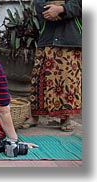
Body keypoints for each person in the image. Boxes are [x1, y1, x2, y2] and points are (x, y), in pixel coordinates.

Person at [22, 0, 82, 132]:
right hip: (48, 35)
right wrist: (50, 11)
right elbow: (38, 3)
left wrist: (62, 9)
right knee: (39, 77)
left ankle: (65, 118)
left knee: (68, 80)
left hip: (70, 37)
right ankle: (35, 116)